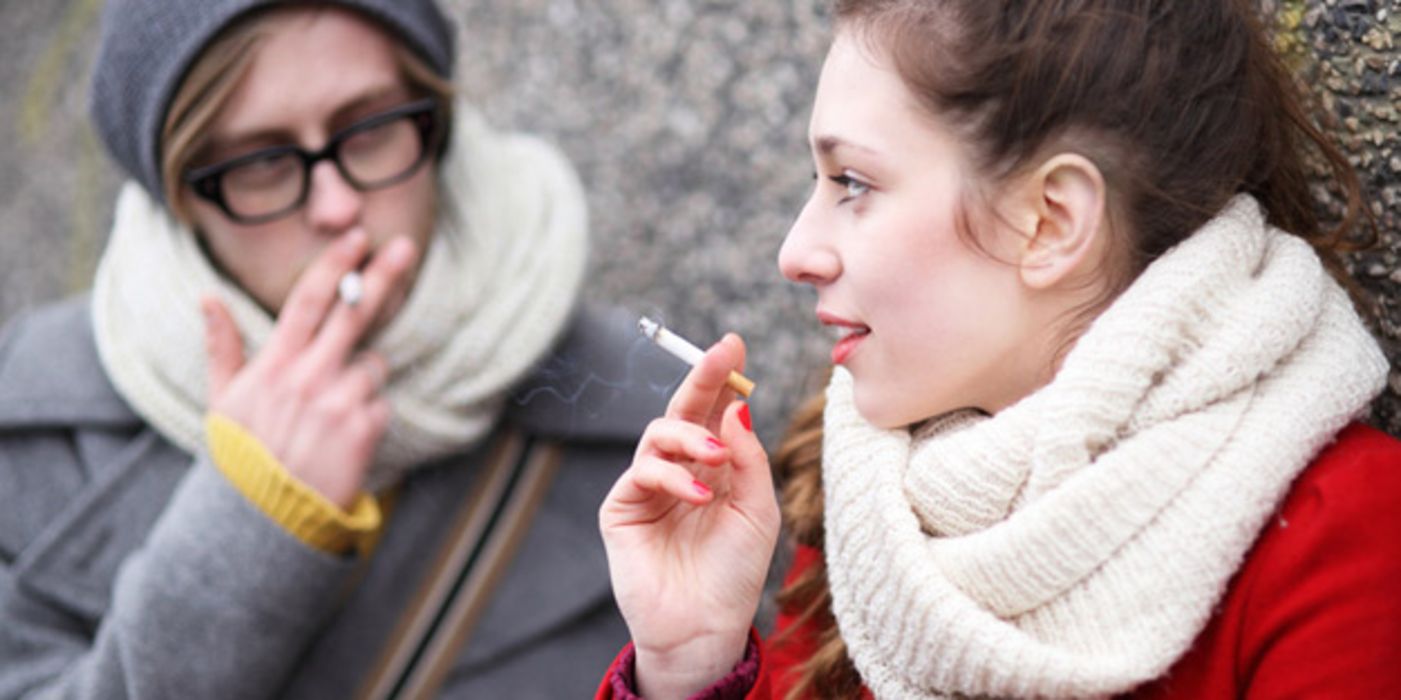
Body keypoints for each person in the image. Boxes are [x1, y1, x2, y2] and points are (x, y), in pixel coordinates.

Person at [597, 0, 1401, 698]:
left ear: (1050, 222)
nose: (795, 251)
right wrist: (689, 666)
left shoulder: (1344, 540)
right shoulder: (872, 493)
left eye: (852, 184)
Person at [0, 0, 673, 696]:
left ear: (432, 122)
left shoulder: (638, 420)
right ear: (180, 196)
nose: (335, 205)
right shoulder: (26, 421)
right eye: (261, 162)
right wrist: (248, 526)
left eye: (369, 130)